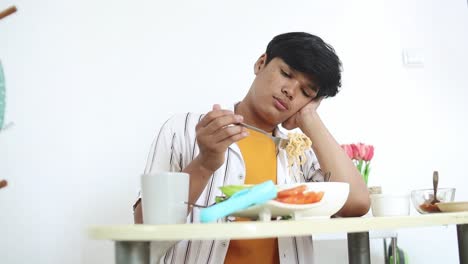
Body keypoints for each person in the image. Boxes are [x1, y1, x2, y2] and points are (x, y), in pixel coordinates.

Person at [133, 32, 370, 264]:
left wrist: (310, 118)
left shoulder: (300, 154)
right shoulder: (185, 129)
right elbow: (145, 225)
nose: (290, 91)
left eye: (306, 92)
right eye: (286, 74)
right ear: (261, 63)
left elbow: (356, 204)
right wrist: (205, 162)